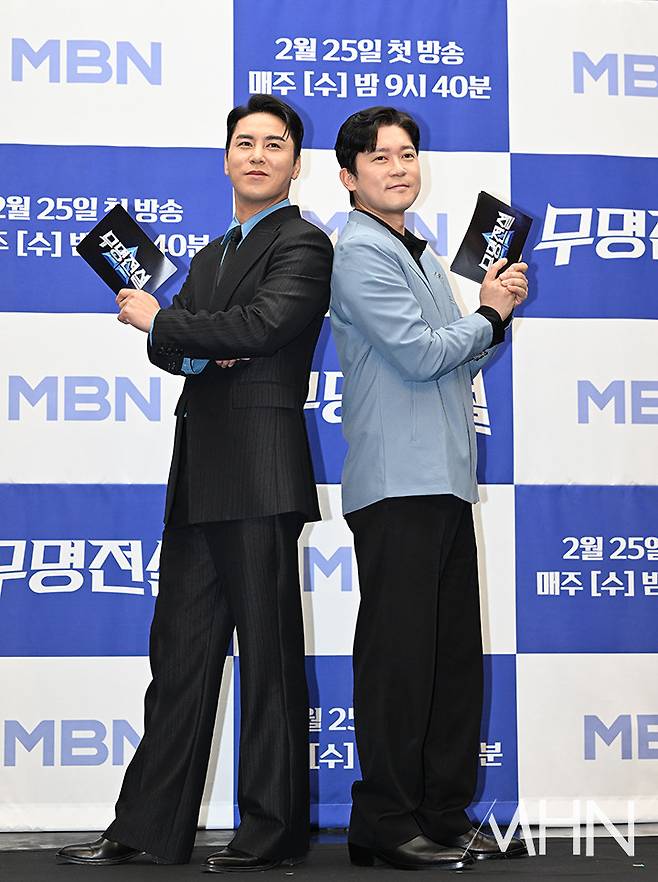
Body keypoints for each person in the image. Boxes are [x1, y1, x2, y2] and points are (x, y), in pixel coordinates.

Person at [57, 94, 333, 872]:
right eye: (244, 143)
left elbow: (260, 327)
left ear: (295, 164)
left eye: (273, 144)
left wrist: (171, 325)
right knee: (177, 659)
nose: (257, 155)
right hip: (197, 474)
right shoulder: (210, 256)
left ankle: (272, 832)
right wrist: (187, 336)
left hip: (260, 472)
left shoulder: (304, 243)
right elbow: (178, 349)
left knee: (269, 663)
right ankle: (148, 827)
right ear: (225, 159)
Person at [330, 106, 529, 871]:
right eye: (380, 157)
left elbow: (460, 357)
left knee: (450, 661)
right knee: (401, 661)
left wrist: (490, 313)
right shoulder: (358, 251)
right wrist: (488, 314)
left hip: (444, 478)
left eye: (407, 154)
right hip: (395, 483)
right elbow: (418, 354)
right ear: (348, 176)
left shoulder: (420, 250)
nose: (398, 167)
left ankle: (443, 815)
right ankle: (383, 822)